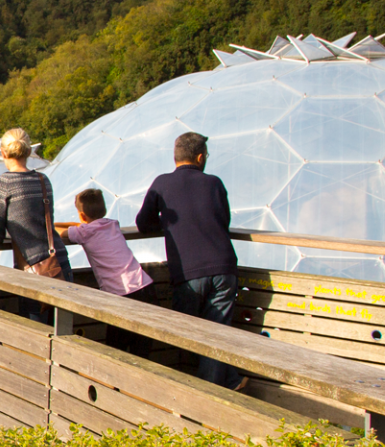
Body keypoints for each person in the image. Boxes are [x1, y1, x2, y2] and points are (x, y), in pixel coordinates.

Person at [135, 131, 246, 391]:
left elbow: (143, 224)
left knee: (192, 334)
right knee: (216, 333)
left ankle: (210, 395)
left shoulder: (161, 183)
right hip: (223, 267)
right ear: (199, 157)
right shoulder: (214, 183)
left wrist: (169, 222)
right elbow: (224, 220)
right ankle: (228, 382)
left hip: (187, 272)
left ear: (175, 157)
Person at [0, 128, 71, 322]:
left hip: (34, 269)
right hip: (59, 262)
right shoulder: (42, 179)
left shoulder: (2, 183)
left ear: (3, 153)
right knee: (62, 333)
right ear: (29, 152)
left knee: (35, 337)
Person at [59, 188, 155, 355]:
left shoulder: (85, 231)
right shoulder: (112, 224)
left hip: (122, 296)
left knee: (116, 350)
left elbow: (58, 232)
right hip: (145, 289)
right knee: (141, 351)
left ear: (81, 216)